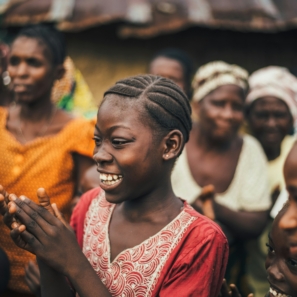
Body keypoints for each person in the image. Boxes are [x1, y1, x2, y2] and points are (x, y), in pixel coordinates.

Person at [1, 74, 228, 297]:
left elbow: (76, 268)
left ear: (170, 145)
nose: (99, 155)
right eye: (98, 141)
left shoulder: (200, 241)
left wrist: (74, 263)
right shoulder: (89, 207)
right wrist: (48, 252)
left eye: (118, 142)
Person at [0, 25, 95, 296]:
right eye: (15, 62)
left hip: (47, 280)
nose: (20, 72)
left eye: (34, 63)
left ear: (58, 73)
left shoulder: (79, 132)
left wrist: (58, 276)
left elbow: (86, 209)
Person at [171, 61, 271, 291]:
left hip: (228, 277)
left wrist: (213, 207)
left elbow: (255, 223)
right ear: (197, 104)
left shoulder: (250, 150)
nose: (228, 114)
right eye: (218, 104)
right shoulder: (175, 141)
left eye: (237, 107)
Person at [245, 66, 297, 297]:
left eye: (279, 114)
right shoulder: (241, 151)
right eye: (262, 115)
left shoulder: (293, 152)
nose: (271, 123)